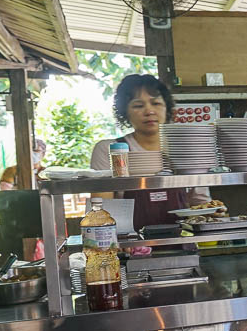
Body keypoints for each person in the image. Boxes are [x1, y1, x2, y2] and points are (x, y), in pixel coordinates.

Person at [89, 74, 210, 231]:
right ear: (125, 112)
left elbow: (200, 203)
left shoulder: (185, 150)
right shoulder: (110, 150)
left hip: (182, 244)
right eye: (138, 105)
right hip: (129, 246)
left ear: (167, 108)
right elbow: (102, 210)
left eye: (156, 103)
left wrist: (214, 213)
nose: (149, 111)